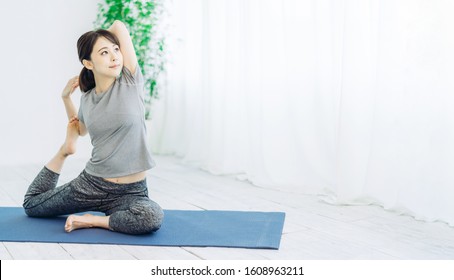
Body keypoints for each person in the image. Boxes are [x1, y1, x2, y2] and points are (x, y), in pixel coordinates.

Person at [22, 20, 164, 235]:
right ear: (88, 64)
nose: (115, 56)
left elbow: (119, 26)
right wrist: (66, 98)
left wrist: (101, 38)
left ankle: (93, 220)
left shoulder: (129, 81)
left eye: (116, 50)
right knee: (32, 206)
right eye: (104, 53)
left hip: (132, 191)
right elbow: (80, 130)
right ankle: (63, 152)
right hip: (92, 184)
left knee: (151, 217)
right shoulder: (88, 98)